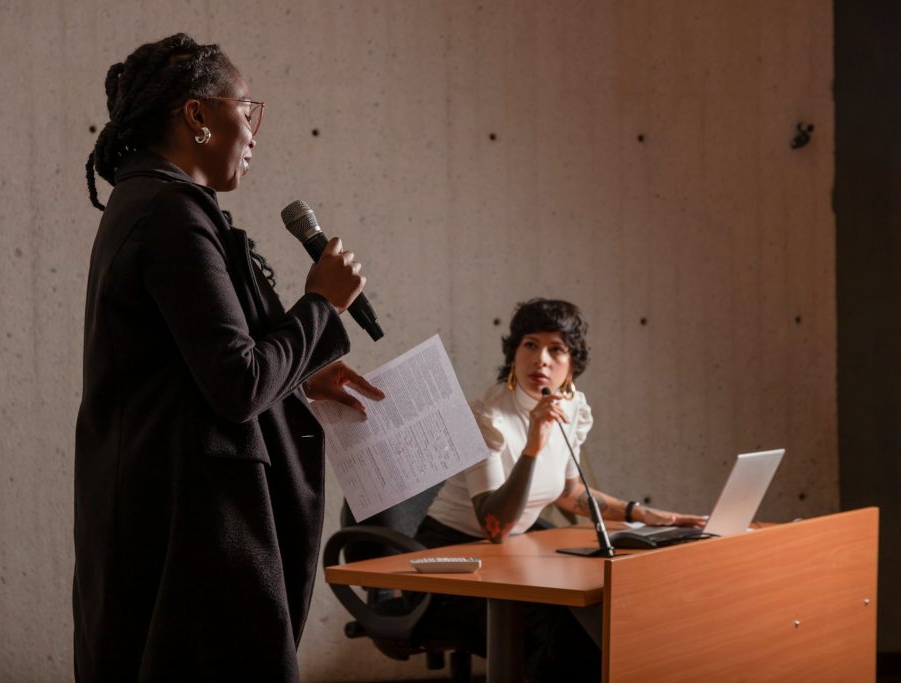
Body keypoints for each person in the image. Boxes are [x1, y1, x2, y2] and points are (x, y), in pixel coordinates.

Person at [74, 34, 383, 681]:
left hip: (159, 517)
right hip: (196, 533)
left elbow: (200, 363)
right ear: (198, 115)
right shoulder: (170, 214)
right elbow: (238, 384)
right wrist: (321, 304)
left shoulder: (149, 204)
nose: (254, 130)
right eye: (248, 108)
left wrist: (306, 366)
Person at [416, 298, 705, 680]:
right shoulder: (485, 416)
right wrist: (533, 445)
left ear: (572, 366)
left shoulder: (570, 407)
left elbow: (569, 494)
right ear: (514, 353)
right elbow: (494, 527)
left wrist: (640, 513)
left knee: (610, 603)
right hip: (452, 561)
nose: (541, 360)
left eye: (557, 350)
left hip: (510, 555)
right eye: (530, 345)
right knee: (559, 624)